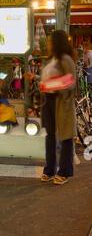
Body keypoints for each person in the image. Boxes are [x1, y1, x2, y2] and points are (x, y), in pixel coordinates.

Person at [40, 31, 76, 186]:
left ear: (56, 43)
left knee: (65, 136)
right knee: (50, 135)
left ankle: (64, 171)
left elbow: (70, 81)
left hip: (61, 102)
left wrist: (50, 85)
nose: (47, 44)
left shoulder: (66, 59)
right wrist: (37, 79)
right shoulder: (51, 60)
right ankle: (49, 169)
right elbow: (47, 80)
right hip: (48, 100)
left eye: (50, 41)